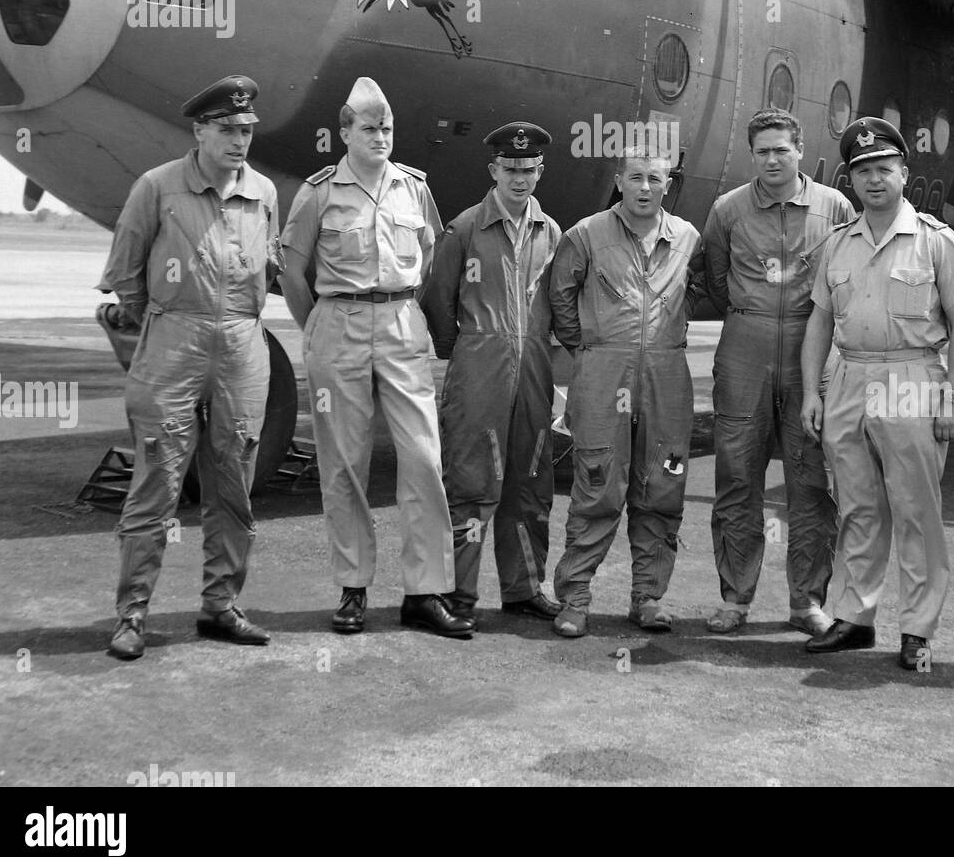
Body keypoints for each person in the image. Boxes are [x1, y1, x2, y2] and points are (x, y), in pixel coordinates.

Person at [280, 77, 469, 639]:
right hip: (338, 323)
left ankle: (425, 592)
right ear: (344, 131)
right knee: (343, 463)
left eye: (386, 128)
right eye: (368, 128)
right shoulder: (318, 193)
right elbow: (292, 270)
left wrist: (400, 308)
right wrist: (317, 323)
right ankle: (353, 588)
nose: (380, 136)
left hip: (401, 323)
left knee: (423, 458)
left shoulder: (414, 188)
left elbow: (430, 254)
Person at [100, 75, 281, 660]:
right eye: (227, 130)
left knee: (235, 482)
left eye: (246, 130)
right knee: (158, 482)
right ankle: (132, 614)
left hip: (242, 345)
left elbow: (268, 267)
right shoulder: (157, 187)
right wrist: (160, 324)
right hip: (173, 343)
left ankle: (221, 605)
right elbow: (125, 273)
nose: (239, 141)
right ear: (199, 130)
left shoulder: (264, 192)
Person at [800, 117, 954, 672]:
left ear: (905, 172)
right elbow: (819, 323)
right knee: (857, 506)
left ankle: (918, 628)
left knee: (916, 510)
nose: (874, 180)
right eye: (863, 171)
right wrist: (813, 392)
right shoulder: (837, 245)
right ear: (851, 180)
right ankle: (855, 618)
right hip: (851, 377)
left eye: (884, 169)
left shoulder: (935, 241)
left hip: (910, 378)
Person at [700, 109, 854, 636]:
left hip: (812, 349)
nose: (771, 159)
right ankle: (734, 598)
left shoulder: (834, 207)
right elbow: (715, 281)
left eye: (781, 150)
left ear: (800, 150)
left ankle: (807, 601)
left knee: (810, 479)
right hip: (745, 345)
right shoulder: (728, 210)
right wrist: (753, 318)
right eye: (762, 151)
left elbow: (843, 281)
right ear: (752, 155)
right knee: (737, 475)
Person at [547, 145, 703, 638]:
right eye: (635, 178)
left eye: (655, 180)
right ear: (619, 180)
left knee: (661, 484)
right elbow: (561, 297)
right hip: (602, 373)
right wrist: (592, 350)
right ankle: (574, 599)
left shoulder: (687, 239)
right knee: (596, 484)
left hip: (666, 376)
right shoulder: (586, 235)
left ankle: (649, 597)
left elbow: (700, 291)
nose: (644, 189)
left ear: (667, 184)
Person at [420, 122, 562, 624]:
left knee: (530, 482)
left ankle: (524, 588)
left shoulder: (552, 233)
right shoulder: (464, 230)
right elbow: (437, 299)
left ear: (540, 171)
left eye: (528, 169)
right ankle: (459, 595)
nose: (519, 178)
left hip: (533, 374)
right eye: (510, 169)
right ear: (493, 170)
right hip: (480, 369)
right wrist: (466, 352)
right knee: (473, 484)